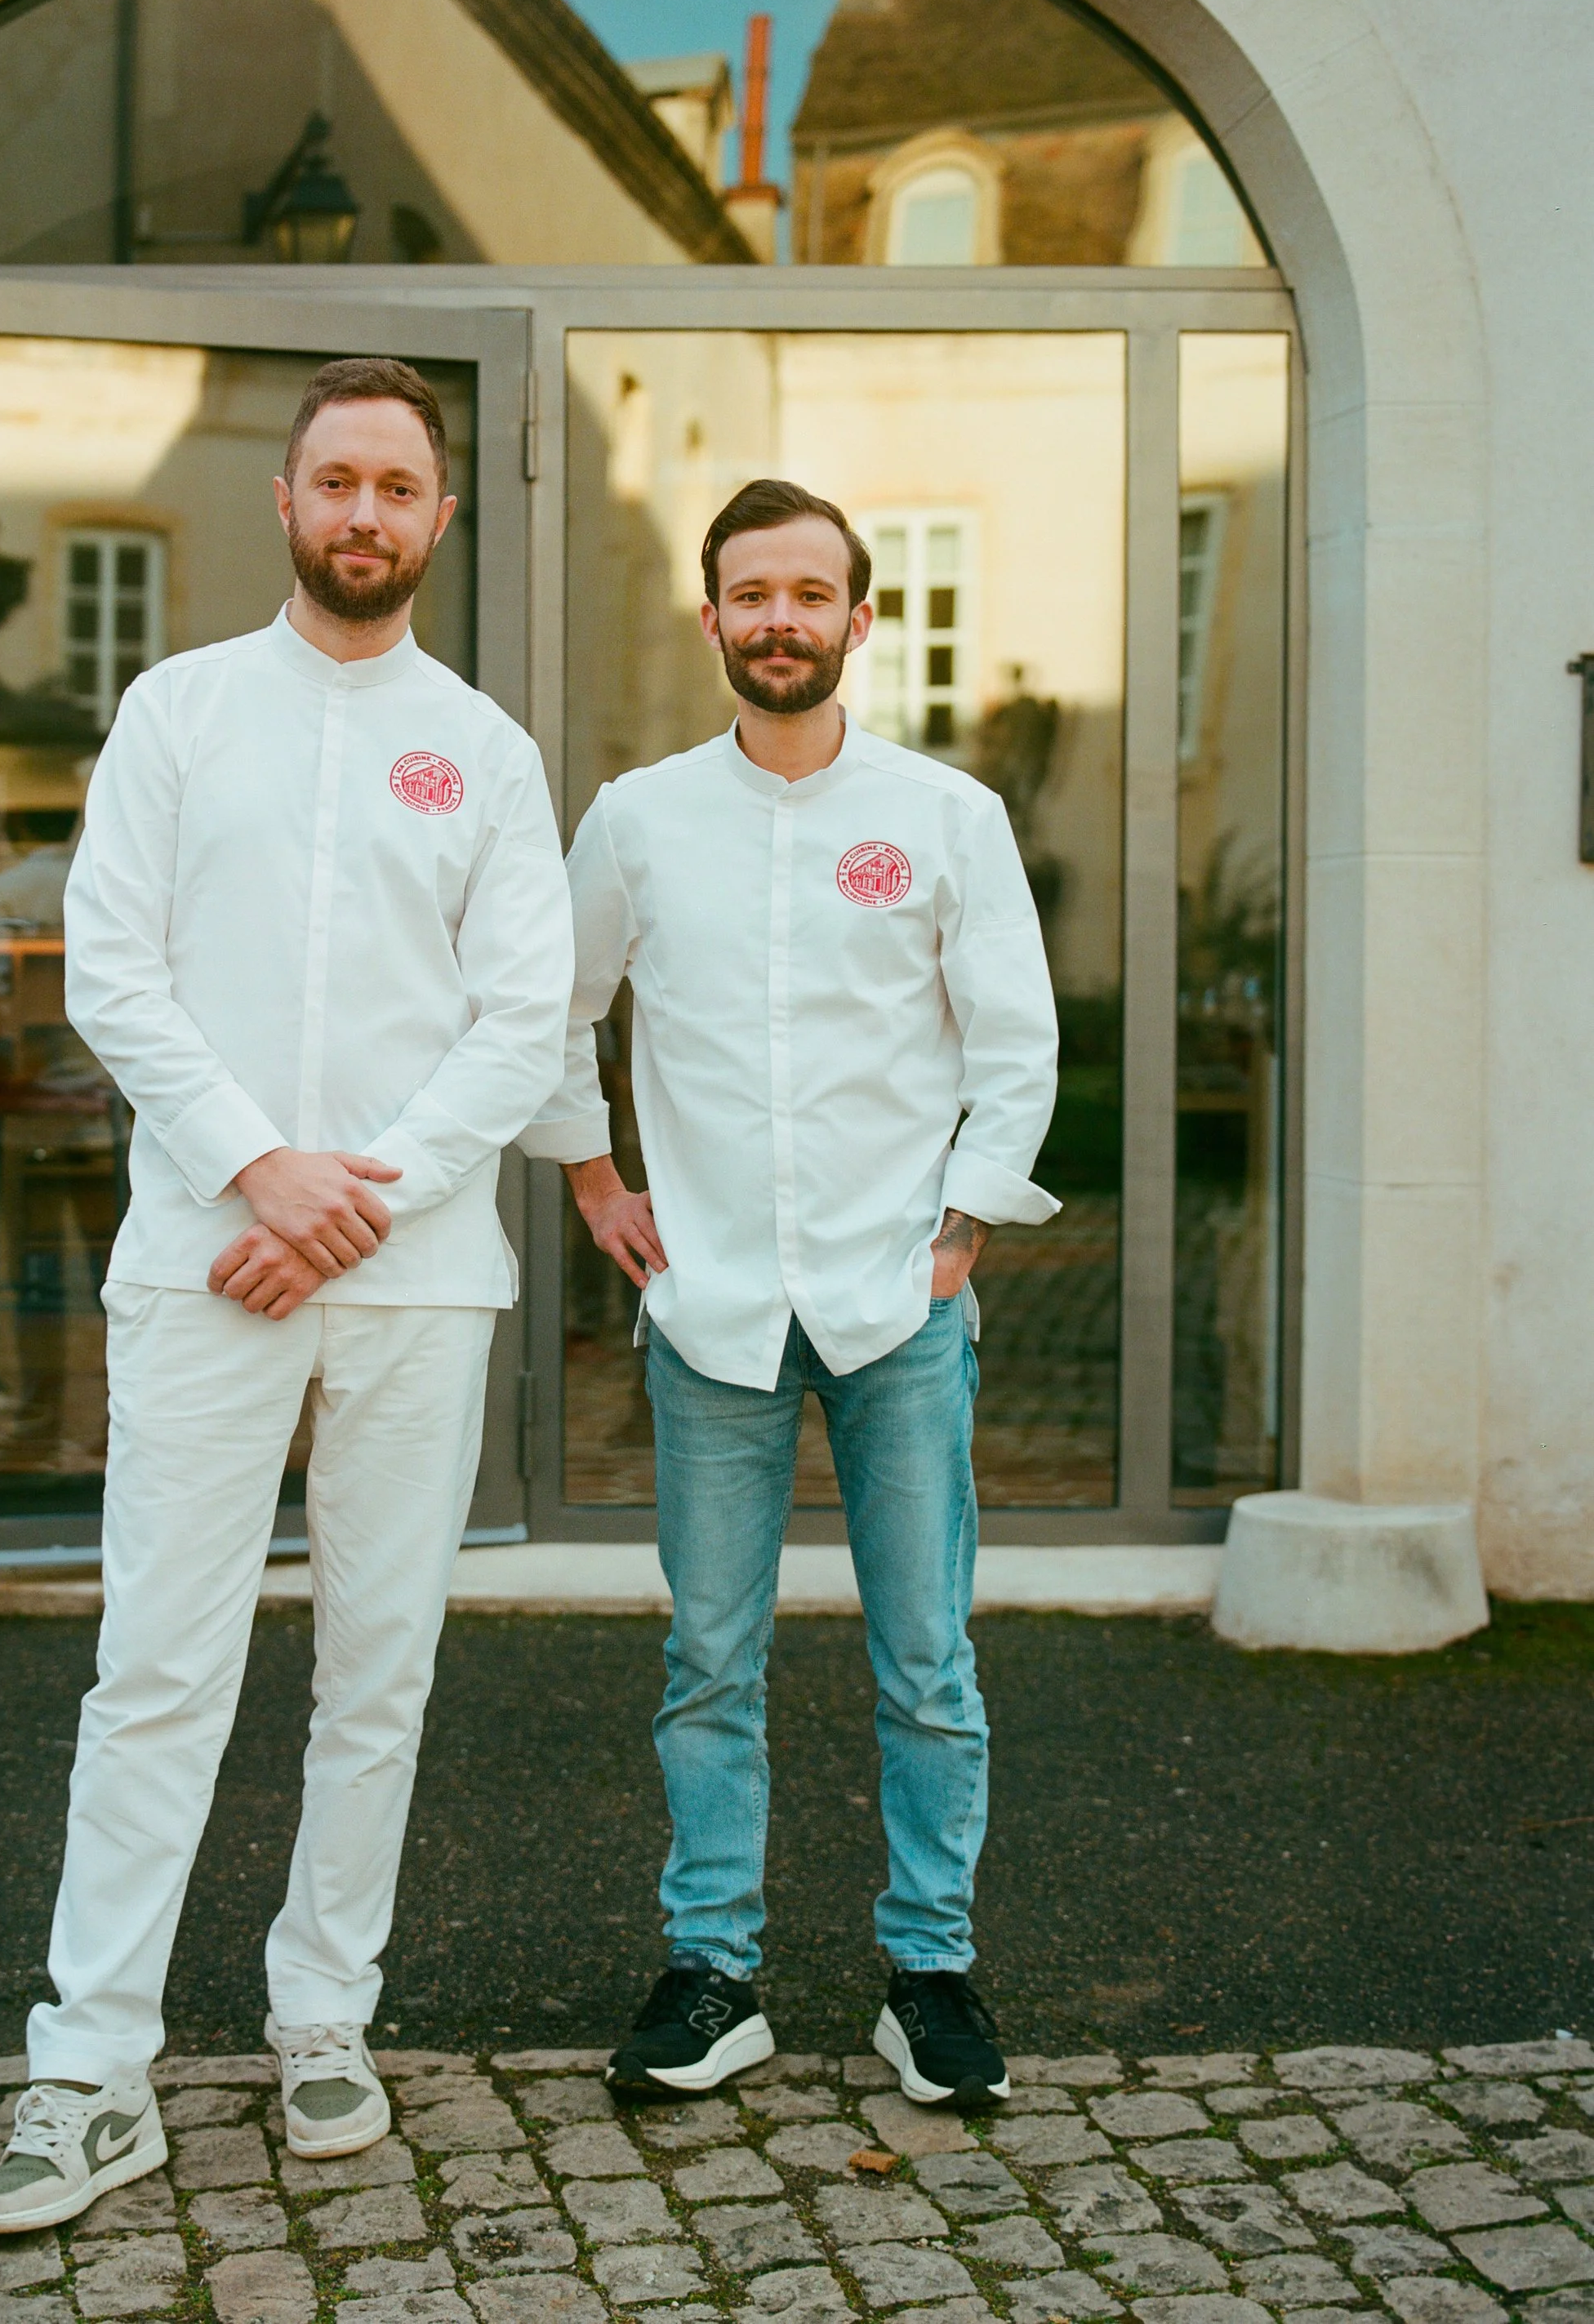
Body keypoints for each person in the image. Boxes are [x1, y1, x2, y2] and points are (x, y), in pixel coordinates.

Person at [0, 358, 575, 2232]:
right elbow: (110, 968)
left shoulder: (481, 746)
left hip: (410, 1271)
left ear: (441, 515)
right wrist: (261, 1167)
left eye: (399, 483)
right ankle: (91, 2059)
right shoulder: (178, 708)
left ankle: (325, 2009)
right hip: (205, 1252)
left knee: (375, 1668)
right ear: (288, 501)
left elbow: (521, 1016)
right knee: (159, 1660)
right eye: (336, 480)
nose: (365, 512)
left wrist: (351, 1198)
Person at [522, 477, 1061, 2108]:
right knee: (708, 1657)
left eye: (804, 592)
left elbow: (1015, 1046)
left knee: (925, 1662)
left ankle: (929, 1975)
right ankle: (711, 1972)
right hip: (712, 1315)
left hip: (899, 1306)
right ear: (711, 618)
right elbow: (554, 1002)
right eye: (746, 592)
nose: (776, 617)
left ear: (855, 618)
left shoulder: (948, 815)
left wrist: (959, 1228)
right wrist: (592, 1178)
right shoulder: (632, 815)